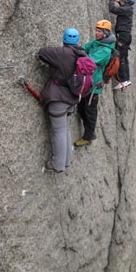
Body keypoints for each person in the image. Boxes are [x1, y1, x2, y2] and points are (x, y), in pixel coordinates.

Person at [37, 28, 87, 173]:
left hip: (59, 98)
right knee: (64, 129)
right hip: (72, 98)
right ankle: (65, 161)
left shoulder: (63, 53)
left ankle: (57, 165)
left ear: (64, 39)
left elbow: (42, 52)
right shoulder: (81, 53)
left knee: (59, 131)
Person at [74, 20, 115, 147]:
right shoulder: (97, 42)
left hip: (94, 85)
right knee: (82, 106)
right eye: (96, 30)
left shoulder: (106, 50)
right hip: (87, 81)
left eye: (99, 31)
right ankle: (86, 124)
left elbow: (90, 62)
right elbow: (84, 48)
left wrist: (81, 55)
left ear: (106, 33)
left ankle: (88, 136)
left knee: (90, 110)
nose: (96, 33)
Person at [109, 0, 135, 90]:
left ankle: (124, 80)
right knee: (124, 58)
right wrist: (118, 1)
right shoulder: (128, 9)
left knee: (121, 58)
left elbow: (113, 9)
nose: (121, 1)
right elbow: (122, 8)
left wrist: (111, 0)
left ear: (125, 1)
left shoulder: (126, 9)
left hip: (123, 36)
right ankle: (126, 79)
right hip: (126, 36)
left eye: (122, 0)